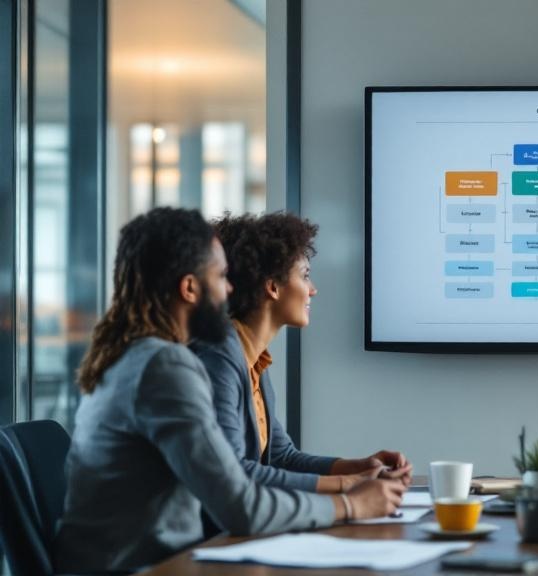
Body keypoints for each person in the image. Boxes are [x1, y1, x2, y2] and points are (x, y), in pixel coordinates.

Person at [54, 208, 405, 573]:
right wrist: (351, 503)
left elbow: (270, 462)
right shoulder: (164, 367)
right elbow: (240, 505)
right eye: (220, 276)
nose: (230, 289)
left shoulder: (140, 357)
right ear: (190, 288)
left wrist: (352, 482)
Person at [190, 212, 412, 502]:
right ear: (273, 287)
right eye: (305, 276)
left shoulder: (253, 360)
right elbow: (234, 472)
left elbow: (282, 457)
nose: (313, 290)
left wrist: (360, 468)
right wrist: (349, 485)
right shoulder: (219, 357)